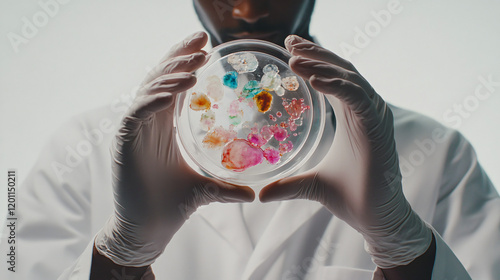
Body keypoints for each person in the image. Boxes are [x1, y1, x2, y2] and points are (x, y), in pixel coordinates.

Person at [3, 1, 499, 279]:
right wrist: (118, 258)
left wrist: (404, 249)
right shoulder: (81, 152)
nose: (246, 9)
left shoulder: (438, 154)